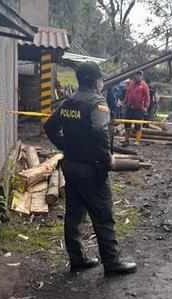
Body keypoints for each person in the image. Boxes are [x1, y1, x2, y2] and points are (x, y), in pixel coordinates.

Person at [44, 61, 137, 276]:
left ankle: (78, 259)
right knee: (103, 214)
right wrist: (107, 158)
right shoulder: (98, 103)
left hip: (71, 165)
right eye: (101, 79)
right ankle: (112, 263)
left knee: (74, 214)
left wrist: (65, 145)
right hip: (92, 169)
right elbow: (98, 129)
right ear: (97, 82)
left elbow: (49, 126)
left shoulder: (68, 102)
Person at [123, 71, 150, 145]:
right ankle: (126, 140)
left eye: (140, 75)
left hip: (139, 108)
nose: (138, 76)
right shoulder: (131, 84)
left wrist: (146, 107)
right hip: (130, 107)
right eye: (137, 75)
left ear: (142, 76)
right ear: (135, 75)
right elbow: (127, 93)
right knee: (127, 124)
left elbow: (147, 97)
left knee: (138, 125)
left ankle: (137, 141)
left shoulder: (144, 85)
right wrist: (125, 102)